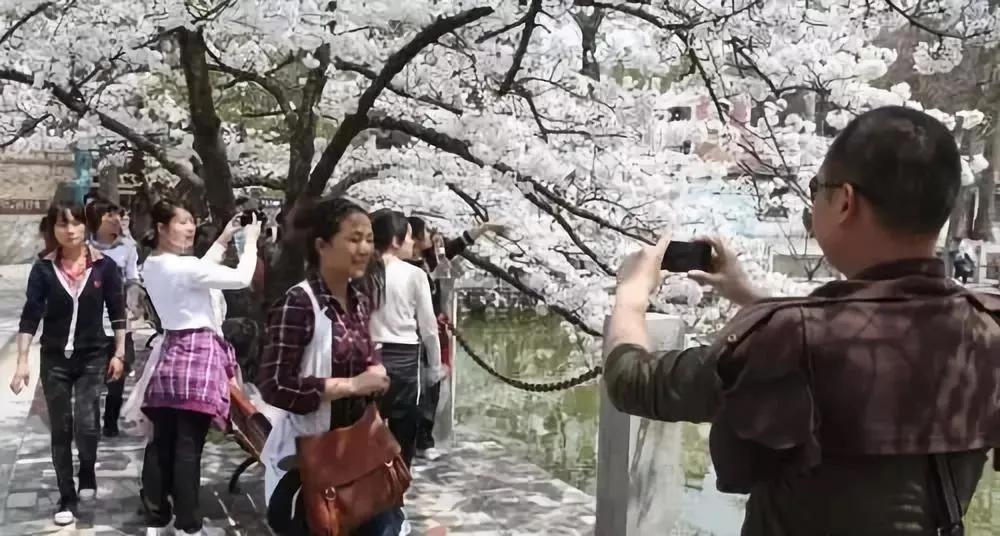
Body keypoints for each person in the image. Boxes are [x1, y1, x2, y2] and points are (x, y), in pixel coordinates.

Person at [602, 106, 1000, 535]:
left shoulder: (788, 337)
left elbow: (634, 383)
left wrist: (631, 297)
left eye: (817, 187)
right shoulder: (987, 327)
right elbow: (868, 338)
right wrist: (750, 295)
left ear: (845, 201)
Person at [257, 197, 402, 535]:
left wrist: (376, 370)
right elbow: (274, 384)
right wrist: (350, 386)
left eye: (368, 239)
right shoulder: (299, 303)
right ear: (322, 245)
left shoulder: (359, 301)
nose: (365, 248)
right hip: (311, 464)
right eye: (354, 239)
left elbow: (365, 355)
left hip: (359, 456)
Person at [139, 200, 260, 536]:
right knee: (189, 446)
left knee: (162, 442)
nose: (190, 228)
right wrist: (250, 241)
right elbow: (241, 278)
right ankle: (189, 525)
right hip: (200, 355)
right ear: (162, 228)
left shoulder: (153, 265)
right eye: (181, 223)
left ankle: (157, 519)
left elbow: (197, 275)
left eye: (192, 221)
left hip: (171, 351)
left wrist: (223, 238)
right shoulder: (185, 267)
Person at [11, 201, 126, 526]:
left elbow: (118, 312)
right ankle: (67, 495)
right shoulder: (44, 269)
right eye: (62, 224)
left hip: (93, 355)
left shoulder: (105, 267)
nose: (70, 230)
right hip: (54, 359)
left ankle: (87, 469)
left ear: (86, 227)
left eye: (76, 223)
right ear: (53, 229)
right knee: (61, 428)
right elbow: (30, 316)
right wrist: (22, 362)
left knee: (87, 423)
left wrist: (118, 352)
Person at [406, 217, 507, 459]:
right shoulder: (404, 267)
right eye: (426, 230)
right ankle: (412, 439)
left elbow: (459, 243)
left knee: (433, 383)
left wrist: (484, 229)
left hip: (433, 330)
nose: (432, 233)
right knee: (414, 386)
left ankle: (424, 439)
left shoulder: (432, 259)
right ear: (417, 237)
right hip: (412, 333)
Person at [369, 210, 445, 470]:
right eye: (410, 237)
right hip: (404, 358)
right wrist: (434, 366)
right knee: (403, 429)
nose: (413, 243)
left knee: (366, 426)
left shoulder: (359, 271)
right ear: (395, 239)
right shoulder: (414, 275)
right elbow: (429, 327)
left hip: (366, 356)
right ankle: (396, 489)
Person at [86, 198, 140, 437]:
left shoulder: (127, 248)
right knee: (90, 376)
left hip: (119, 322)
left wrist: (134, 300)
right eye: (110, 217)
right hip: (89, 323)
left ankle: (110, 421)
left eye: (118, 216)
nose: (116, 221)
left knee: (119, 373)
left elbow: (133, 278)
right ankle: (90, 422)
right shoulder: (82, 247)